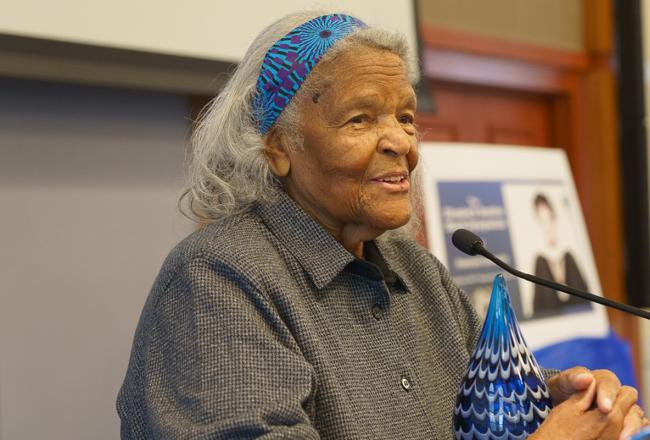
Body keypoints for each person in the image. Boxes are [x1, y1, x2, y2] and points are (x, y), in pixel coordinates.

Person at [117, 11, 648, 439]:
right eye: (361, 119)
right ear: (277, 146)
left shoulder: (417, 269)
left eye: (406, 117)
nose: (402, 142)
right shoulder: (217, 279)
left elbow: (477, 396)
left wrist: (558, 395)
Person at [532, 193, 591, 318]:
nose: (548, 228)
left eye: (550, 220)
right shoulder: (539, 262)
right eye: (542, 222)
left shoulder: (569, 256)